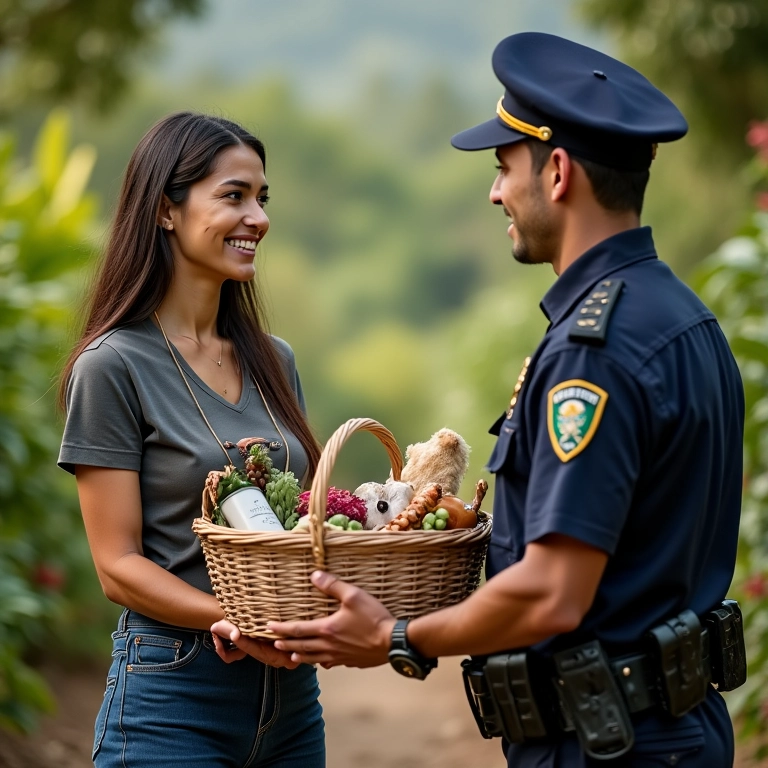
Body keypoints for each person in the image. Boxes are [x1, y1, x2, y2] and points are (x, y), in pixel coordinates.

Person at [212, 33, 746, 767]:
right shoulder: (687, 319)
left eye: (503, 168)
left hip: (608, 743)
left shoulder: (595, 349)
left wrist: (398, 639)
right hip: (675, 729)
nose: (496, 191)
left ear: (557, 172)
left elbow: (554, 592)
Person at [57, 112, 326, 767]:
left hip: (291, 704)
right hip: (174, 695)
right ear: (166, 211)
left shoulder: (273, 359)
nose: (257, 217)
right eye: (233, 196)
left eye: (262, 198)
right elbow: (117, 565)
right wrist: (219, 617)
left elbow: (301, 522)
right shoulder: (112, 366)